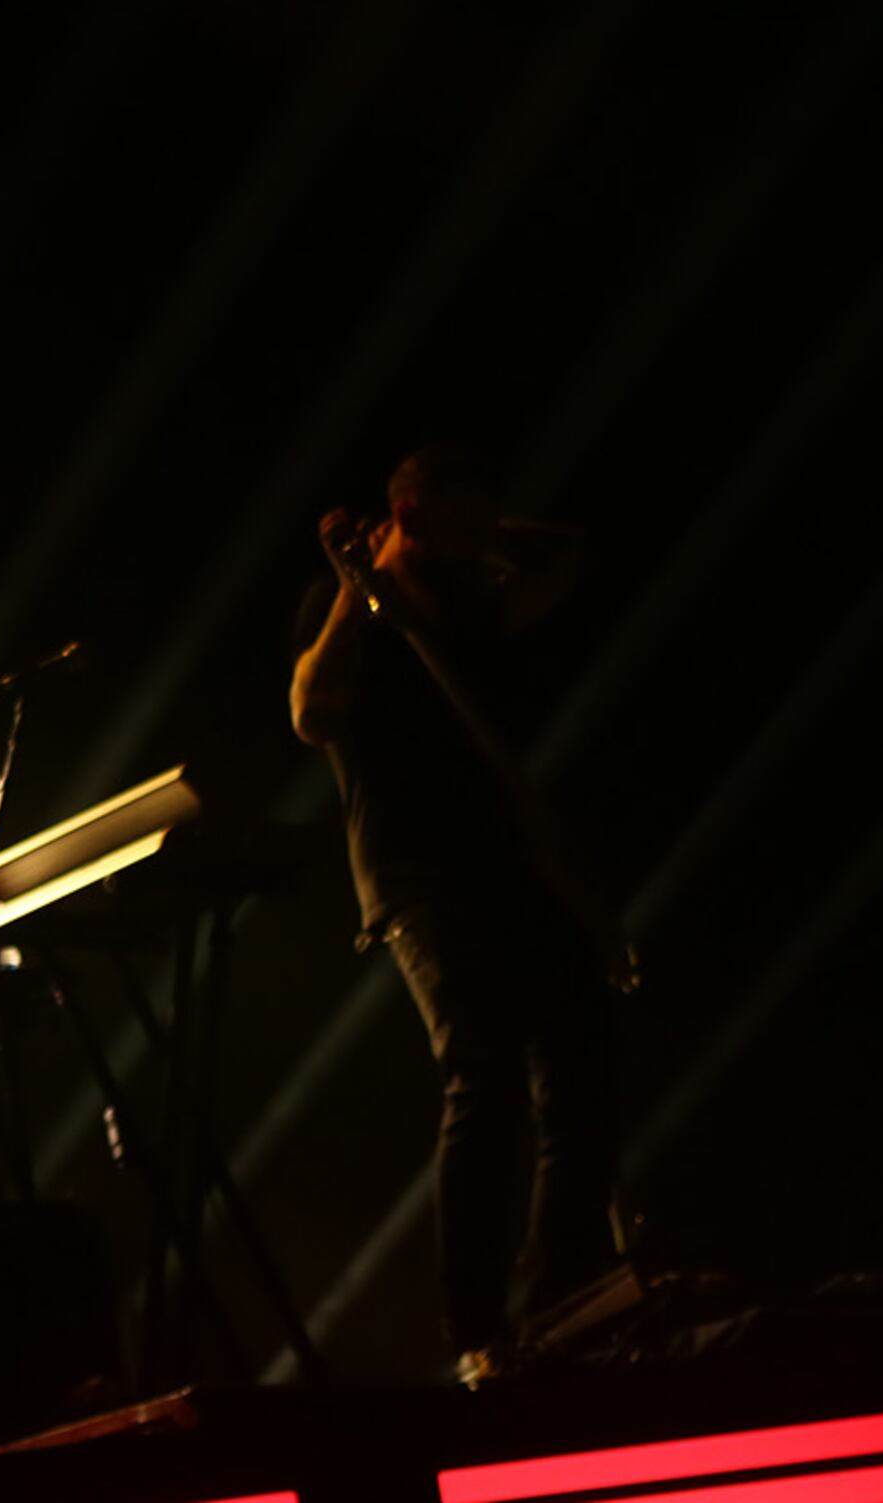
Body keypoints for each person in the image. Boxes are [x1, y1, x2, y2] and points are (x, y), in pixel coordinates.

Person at [290, 443, 624, 1386]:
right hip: (416, 879)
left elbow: (569, 555)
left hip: (511, 866)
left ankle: (562, 1297)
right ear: (412, 512)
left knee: (583, 1061)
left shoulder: (475, 605)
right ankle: (477, 1329)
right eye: (465, 519)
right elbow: (311, 714)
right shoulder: (341, 607)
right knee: (484, 1074)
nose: (484, 541)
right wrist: (358, 584)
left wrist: (480, 528)